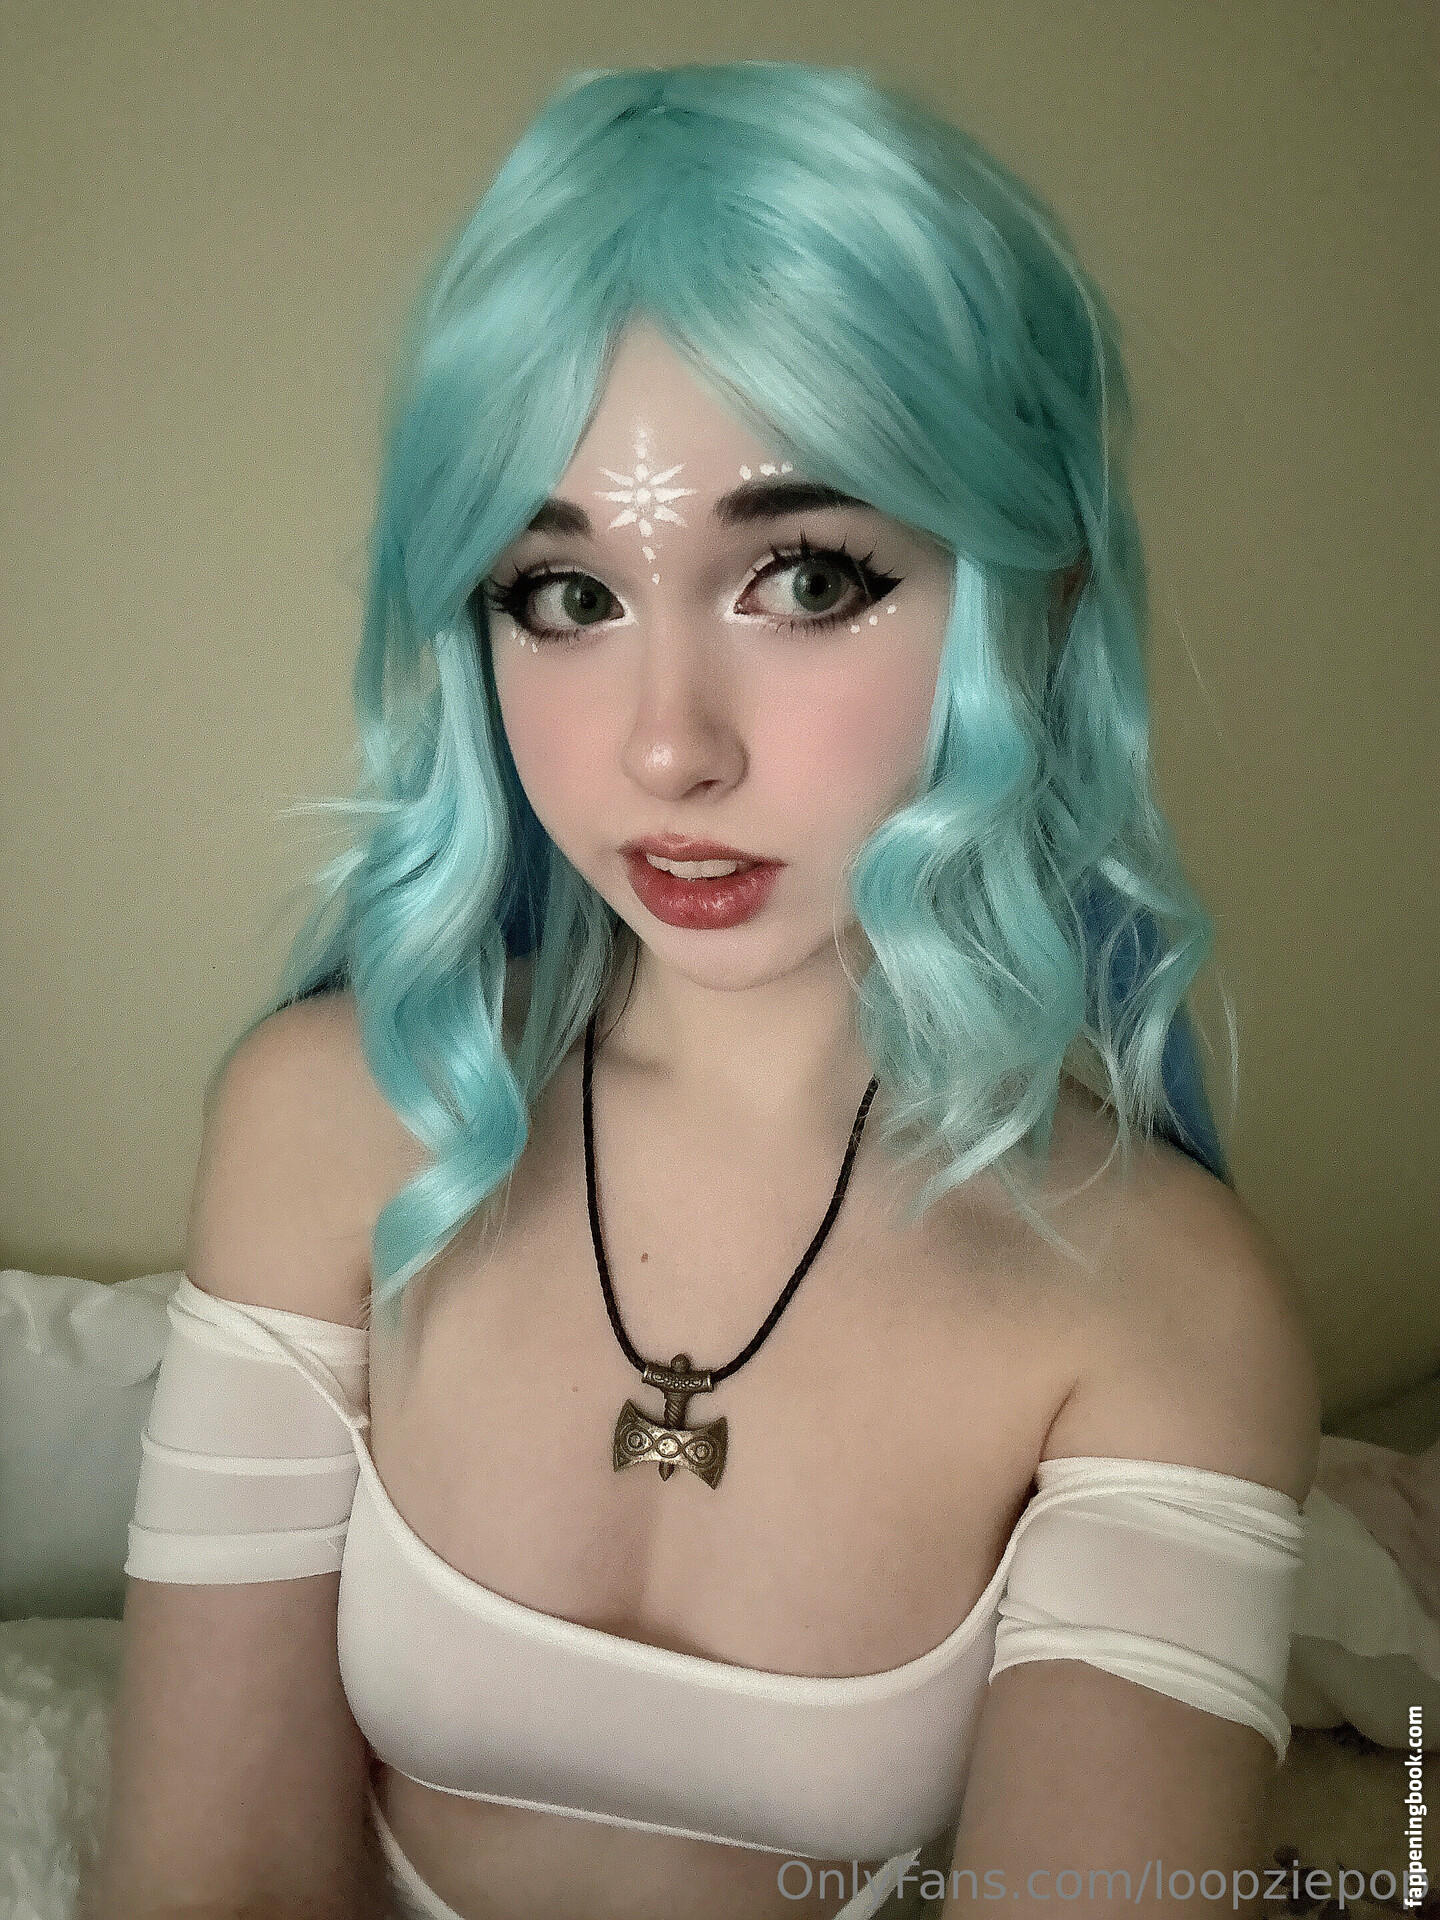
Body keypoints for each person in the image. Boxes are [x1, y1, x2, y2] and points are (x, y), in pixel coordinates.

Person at [94, 61, 1320, 1920]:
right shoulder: (331, 1126)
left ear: (1035, 597)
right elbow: (212, 1878)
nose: (668, 749)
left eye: (807, 579)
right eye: (565, 596)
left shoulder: (1163, 1309)